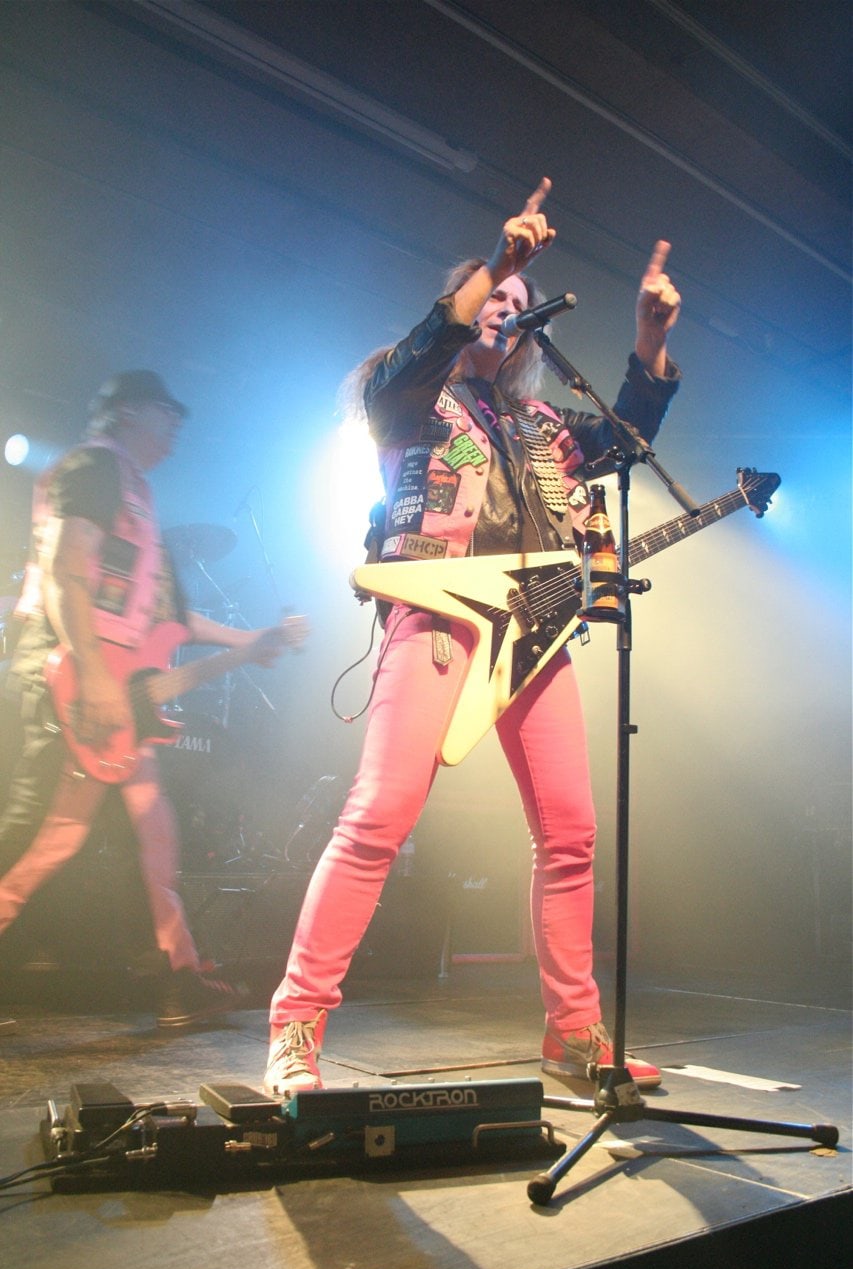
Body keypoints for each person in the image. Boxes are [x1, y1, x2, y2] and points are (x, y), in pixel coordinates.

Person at [263, 178, 681, 1095]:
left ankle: (572, 1034)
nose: (505, 305)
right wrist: (499, 261)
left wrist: (648, 342)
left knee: (570, 834)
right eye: (492, 292)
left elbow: (622, 439)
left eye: (519, 300)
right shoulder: (412, 395)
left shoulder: (537, 424)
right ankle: (296, 1024)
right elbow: (416, 359)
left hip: (533, 630)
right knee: (377, 818)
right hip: (439, 616)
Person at [0, 370, 307, 1027]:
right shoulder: (95, 468)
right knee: (41, 840)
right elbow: (65, 571)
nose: (176, 428)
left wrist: (253, 640)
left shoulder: (140, 502)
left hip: (113, 690)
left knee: (154, 832)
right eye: (167, 413)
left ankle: (180, 975)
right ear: (130, 411)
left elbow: (175, 622)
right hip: (70, 677)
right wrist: (95, 676)